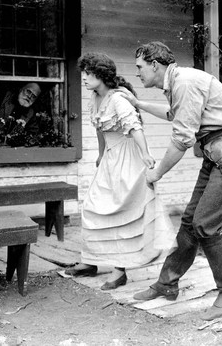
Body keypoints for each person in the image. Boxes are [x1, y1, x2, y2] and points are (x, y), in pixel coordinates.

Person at [121, 41, 222, 321]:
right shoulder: (177, 83)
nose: (137, 73)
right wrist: (138, 104)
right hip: (218, 148)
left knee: (206, 223)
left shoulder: (184, 82)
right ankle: (167, 283)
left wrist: (156, 173)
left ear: (155, 65)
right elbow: (174, 115)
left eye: (140, 67)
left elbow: (182, 139)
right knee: (190, 220)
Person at [65, 52, 174, 290]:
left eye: (89, 74)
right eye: (84, 74)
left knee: (121, 212)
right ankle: (91, 261)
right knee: (92, 208)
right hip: (111, 157)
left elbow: (135, 127)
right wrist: (101, 154)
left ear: (102, 76)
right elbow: (100, 129)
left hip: (128, 158)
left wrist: (145, 154)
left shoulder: (118, 99)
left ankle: (119, 270)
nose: (84, 78)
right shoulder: (94, 98)